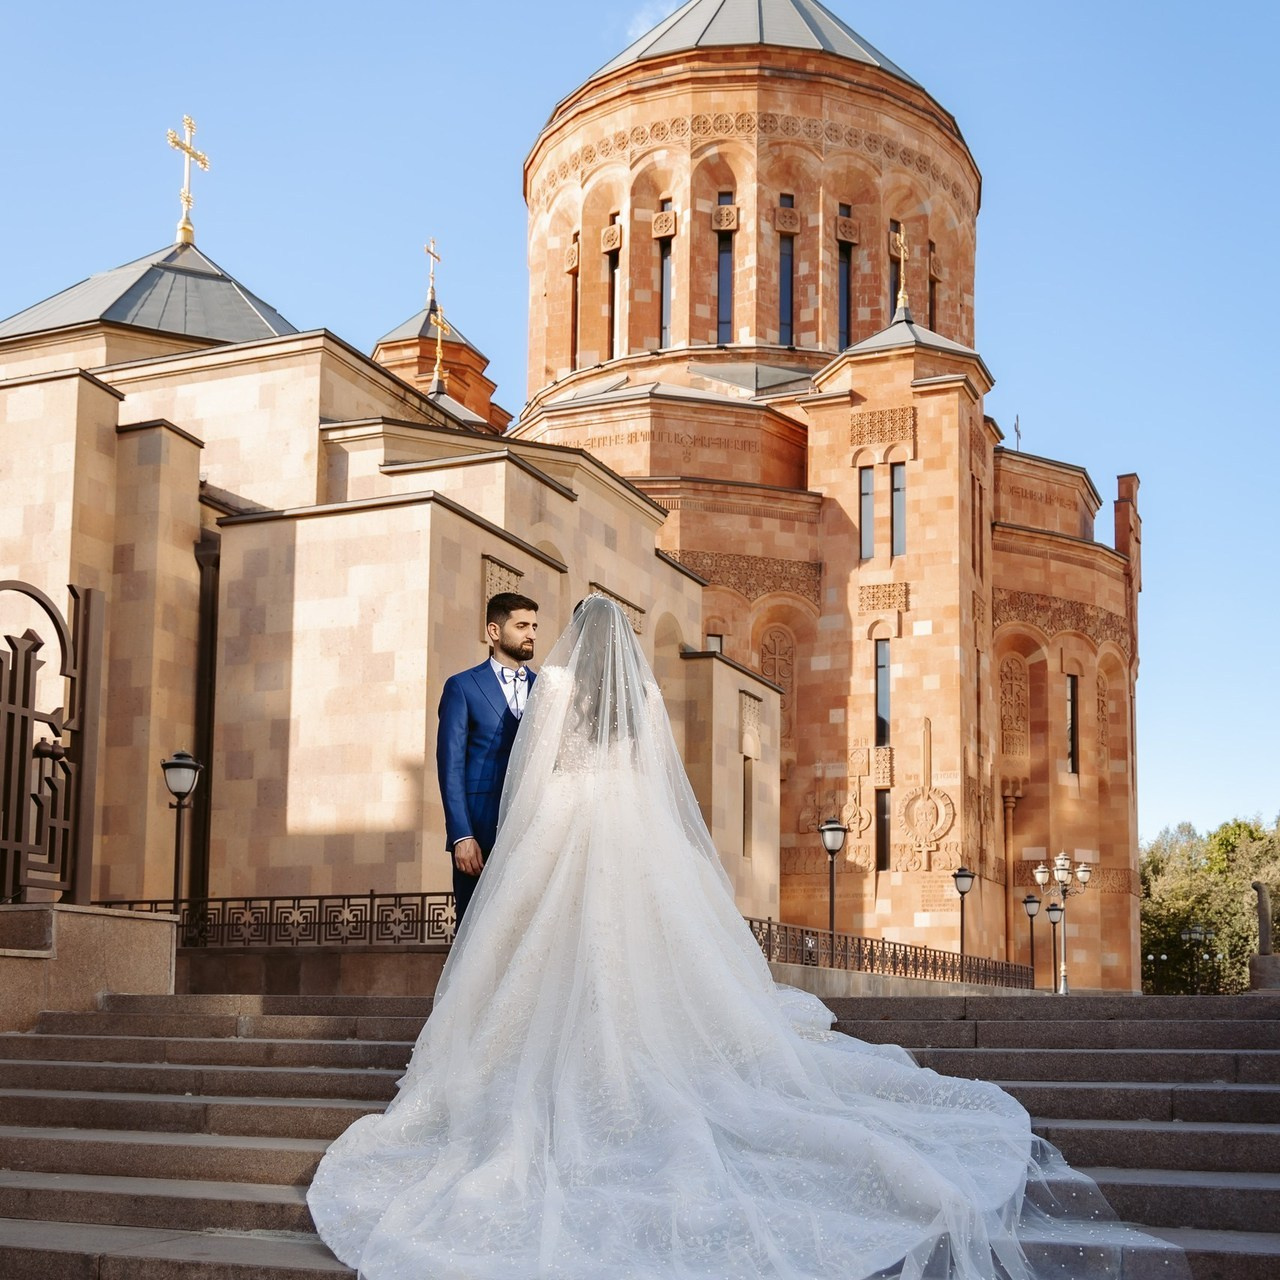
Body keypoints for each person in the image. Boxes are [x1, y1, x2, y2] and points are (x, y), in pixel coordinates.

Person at [309, 596, 1186, 1280]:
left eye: (550, 628)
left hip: (570, 826)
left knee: (559, 945)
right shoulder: (637, 698)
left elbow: (537, 777)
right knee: (643, 947)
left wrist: (514, 842)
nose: (541, 639)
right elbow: (650, 782)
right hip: (630, 833)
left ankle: (537, 1057)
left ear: (574, 641)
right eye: (525, 625)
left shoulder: (560, 690)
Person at [435, 591, 538, 928]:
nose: (531, 634)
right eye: (521, 625)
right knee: (475, 933)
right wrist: (461, 836)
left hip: (533, 829)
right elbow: (450, 767)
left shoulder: (546, 688)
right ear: (495, 631)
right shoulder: (462, 687)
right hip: (479, 833)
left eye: (534, 626)